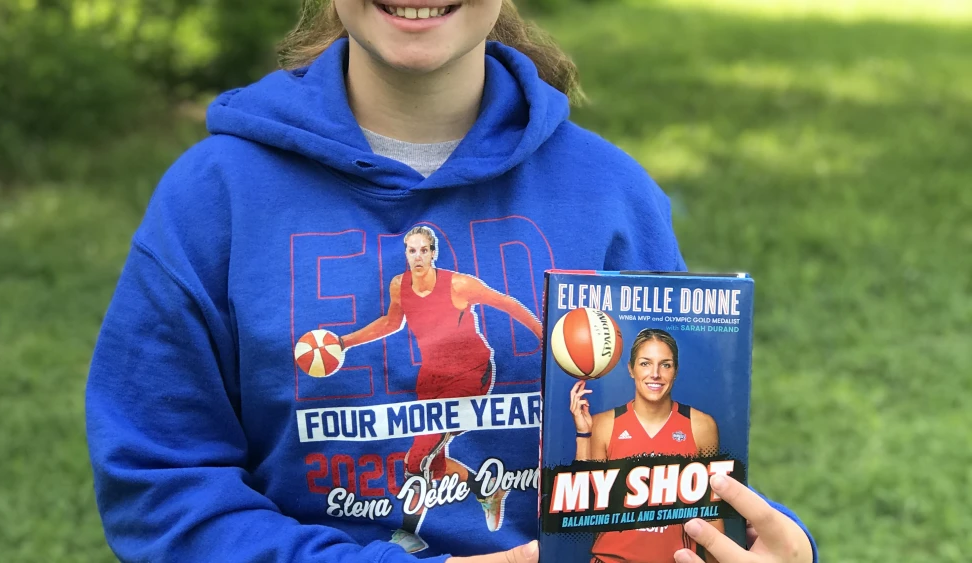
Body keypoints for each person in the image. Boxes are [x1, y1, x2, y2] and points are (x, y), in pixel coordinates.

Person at [84, 0, 820, 561]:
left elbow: (656, 467)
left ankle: (480, 483)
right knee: (422, 456)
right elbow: (160, 486)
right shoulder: (214, 199)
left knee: (426, 452)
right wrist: (340, 339)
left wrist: (752, 538)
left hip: (467, 366)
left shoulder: (610, 195)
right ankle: (470, 485)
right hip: (430, 379)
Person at [337, 225, 544, 551]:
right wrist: (344, 341)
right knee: (431, 462)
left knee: (417, 455)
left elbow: (506, 303)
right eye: (411, 250)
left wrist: (543, 335)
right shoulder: (399, 286)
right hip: (432, 375)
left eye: (423, 250)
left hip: (471, 372)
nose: (417, 256)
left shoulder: (458, 285)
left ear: (433, 253)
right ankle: (486, 488)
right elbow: (392, 323)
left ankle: (407, 535)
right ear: (405, 255)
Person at [570, 329, 722, 563]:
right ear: (631, 369)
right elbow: (584, 506)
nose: (655, 374)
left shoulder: (701, 427)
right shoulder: (603, 425)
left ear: (676, 371)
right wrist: (583, 434)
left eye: (665, 365)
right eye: (645, 364)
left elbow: (712, 515)